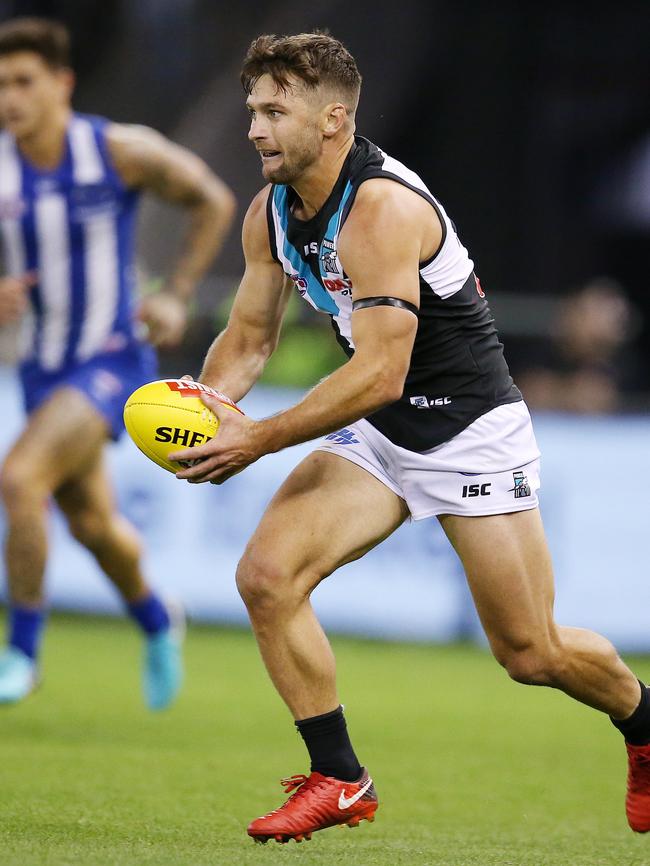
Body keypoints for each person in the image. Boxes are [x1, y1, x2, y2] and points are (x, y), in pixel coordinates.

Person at [170, 32, 650, 842]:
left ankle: (643, 725)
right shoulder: (272, 210)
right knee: (267, 577)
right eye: (252, 109)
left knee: (531, 653)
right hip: (382, 432)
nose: (254, 128)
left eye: (273, 110)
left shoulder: (384, 207)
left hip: (468, 431)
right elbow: (250, 339)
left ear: (333, 119)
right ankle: (340, 778)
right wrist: (206, 410)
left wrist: (259, 439)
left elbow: (382, 371)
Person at [0, 17, 235, 709]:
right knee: (93, 526)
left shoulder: (117, 150)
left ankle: (22, 653)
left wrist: (178, 293)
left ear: (62, 84)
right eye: (0, 84)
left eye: (23, 82)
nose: (9, 98)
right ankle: (160, 621)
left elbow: (212, 200)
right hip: (40, 368)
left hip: (110, 356)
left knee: (19, 479)